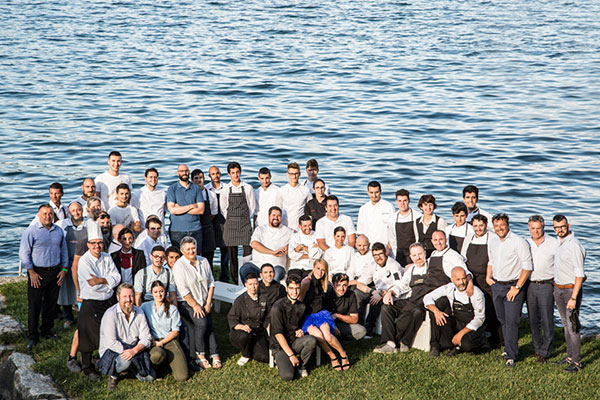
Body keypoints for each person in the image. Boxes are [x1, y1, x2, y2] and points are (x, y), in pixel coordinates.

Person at [485, 213, 532, 367]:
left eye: (502, 225)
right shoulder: (493, 242)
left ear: (508, 225)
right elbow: (491, 261)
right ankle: (507, 349)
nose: (499, 228)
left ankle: (511, 355)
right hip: (497, 285)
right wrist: (489, 277)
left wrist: (517, 287)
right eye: (496, 226)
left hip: (513, 286)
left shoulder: (519, 242)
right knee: (503, 319)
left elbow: (527, 266)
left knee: (512, 321)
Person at [19, 204, 69, 349]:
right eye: (45, 214)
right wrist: (31, 272)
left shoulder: (58, 231)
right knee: (34, 304)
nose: (48, 216)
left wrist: (64, 269)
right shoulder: (31, 231)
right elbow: (24, 253)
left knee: (51, 304)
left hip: (55, 272)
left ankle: (47, 330)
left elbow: (64, 251)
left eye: (50, 214)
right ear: (39, 215)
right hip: (37, 272)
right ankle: (33, 336)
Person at [77, 221, 121, 381]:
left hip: (107, 302)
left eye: (100, 243)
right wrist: (107, 282)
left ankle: (105, 361)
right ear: (88, 244)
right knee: (88, 335)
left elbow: (117, 277)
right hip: (91, 302)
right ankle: (87, 367)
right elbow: (92, 285)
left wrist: (102, 280)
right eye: (94, 243)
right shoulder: (84, 261)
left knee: (108, 332)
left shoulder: (107, 257)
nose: (97, 246)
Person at [172, 236, 221, 369]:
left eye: (193, 248)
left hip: (204, 301)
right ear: (182, 251)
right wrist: (195, 305)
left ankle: (215, 354)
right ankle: (200, 354)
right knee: (202, 323)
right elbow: (183, 291)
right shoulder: (179, 266)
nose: (191, 251)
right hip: (187, 303)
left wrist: (208, 302)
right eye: (188, 249)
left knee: (209, 323)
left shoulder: (203, 261)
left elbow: (211, 282)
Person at [374, 243, 429, 354]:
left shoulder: (432, 267)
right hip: (411, 299)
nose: (417, 258)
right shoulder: (411, 270)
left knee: (417, 311)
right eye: (414, 255)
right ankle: (390, 343)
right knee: (387, 307)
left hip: (424, 301)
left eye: (420, 254)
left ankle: (405, 341)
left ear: (425, 253)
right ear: (411, 257)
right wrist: (390, 292)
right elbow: (401, 286)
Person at [97, 283, 154, 390]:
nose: (128, 299)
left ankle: (132, 367)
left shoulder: (139, 312)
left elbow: (146, 337)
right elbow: (111, 343)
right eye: (125, 296)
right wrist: (130, 352)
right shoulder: (110, 314)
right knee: (126, 360)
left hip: (133, 349)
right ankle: (114, 375)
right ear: (118, 297)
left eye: (131, 296)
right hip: (114, 351)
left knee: (150, 378)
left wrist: (134, 351)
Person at [424, 267, 486, 357]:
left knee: (467, 345)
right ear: (451, 279)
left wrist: (461, 333)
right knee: (439, 316)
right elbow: (427, 297)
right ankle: (453, 346)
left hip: (472, 326)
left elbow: (480, 318)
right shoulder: (449, 288)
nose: (461, 282)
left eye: (463, 278)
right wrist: (436, 312)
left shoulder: (477, 293)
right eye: (458, 279)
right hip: (457, 322)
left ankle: (481, 341)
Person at [461, 214, 501, 349]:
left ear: (486, 225)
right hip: (472, 278)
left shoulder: (492, 238)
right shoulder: (469, 238)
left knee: (491, 308)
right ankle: (476, 336)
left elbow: (493, 260)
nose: (478, 229)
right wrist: (468, 278)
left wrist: (489, 277)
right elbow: (463, 258)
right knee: (474, 308)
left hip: (486, 278)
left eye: (481, 225)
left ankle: (495, 339)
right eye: (475, 226)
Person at [552, 214, 586, 373]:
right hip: (558, 289)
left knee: (572, 326)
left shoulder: (574, 245)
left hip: (570, 290)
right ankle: (569, 356)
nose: (559, 230)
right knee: (566, 325)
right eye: (556, 227)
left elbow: (579, 274)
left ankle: (576, 363)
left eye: (562, 227)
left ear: (568, 225)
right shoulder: (560, 243)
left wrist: (573, 297)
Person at [269, 274, 317, 381]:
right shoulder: (277, 307)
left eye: (297, 288)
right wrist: (291, 355)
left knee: (311, 340)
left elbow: (300, 325)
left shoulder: (302, 306)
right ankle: (285, 361)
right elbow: (278, 334)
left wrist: (301, 331)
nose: (294, 292)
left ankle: (302, 366)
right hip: (280, 347)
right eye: (291, 288)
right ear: (286, 288)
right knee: (288, 376)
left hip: (294, 341)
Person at [526, 215, 558, 363]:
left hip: (546, 284)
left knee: (547, 319)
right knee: (533, 319)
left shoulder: (553, 243)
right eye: (533, 228)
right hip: (531, 285)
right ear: (529, 228)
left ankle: (545, 351)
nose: (536, 231)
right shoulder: (526, 243)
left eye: (538, 228)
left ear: (543, 228)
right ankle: (537, 348)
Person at [141, 281, 188, 382]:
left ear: (165, 291)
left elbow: (175, 331)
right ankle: (159, 367)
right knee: (156, 356)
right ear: (151, 293)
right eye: (156, 292)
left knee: (182, 377)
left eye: (161, 291)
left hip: (169, 340)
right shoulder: (145, 307)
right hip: (154, 341)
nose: (159, 294)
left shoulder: (172, 309)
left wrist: (161, 343)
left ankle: (168, 361)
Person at [220, 162, 255, 285]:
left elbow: (252, 206)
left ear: (240, 172)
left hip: (245, 224)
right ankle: (235, 281)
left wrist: (244, 218)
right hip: (230, 225)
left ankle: (248, 279)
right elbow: (223, 208)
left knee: (248, 254)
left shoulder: (248, 187)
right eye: (233, 173)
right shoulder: (225, 189)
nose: (236, 175)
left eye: (237, 172)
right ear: (229, 174)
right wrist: (232, 218)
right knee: (232, 257)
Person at [239, 206, 292, 284]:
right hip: (258, 264)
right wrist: (273, 252)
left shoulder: (288, 231)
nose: (276, 218)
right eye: (273, 215)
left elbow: (295, 243)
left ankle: (271, 295)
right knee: (244, 269)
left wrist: (288, 248)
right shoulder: (260, 229)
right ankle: (251, 294)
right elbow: (254, 244)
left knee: (276, 275)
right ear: (269, 216)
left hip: (276, 266)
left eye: (279, 216)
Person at [228, 272, 270, 365]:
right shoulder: (240, 300)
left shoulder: (264, 298)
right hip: (242, 331)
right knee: (245, 336)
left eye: (255, 284)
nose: (253, 287)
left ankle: (253, 349)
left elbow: (268, 316)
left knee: (264, 357)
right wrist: (241, 327)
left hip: (259, 331)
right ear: (245, 285)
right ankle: (245, 354)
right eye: (250, 284)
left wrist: (268, 326)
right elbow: (232, 318)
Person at [56, 201, 87, 328]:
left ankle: (84, 317)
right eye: (73, 211)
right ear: (69, 213)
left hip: (85, 263)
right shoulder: (63, 225)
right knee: (66, 291)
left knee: (83, 291)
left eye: (78, 210)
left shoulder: (90, 224)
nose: (76, 213)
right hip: (67, 262)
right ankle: (68, 318)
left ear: (82, 210)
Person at [365, 242, 404, 338]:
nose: (378, 257)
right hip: (378, 291)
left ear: (385, 253)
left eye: (380, 254)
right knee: (368, 297)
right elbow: (363, 281)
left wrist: (383, 294)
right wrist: (373, 291)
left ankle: (369, 330)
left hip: (394, 293)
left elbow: (398, 284)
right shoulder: (372, 265)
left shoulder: (394, 265)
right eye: (375, 255)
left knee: (376, 302)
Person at [166, 164, 205, 250]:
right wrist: (192, 206)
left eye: (186, 171)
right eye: (182, 171)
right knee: (179, 258)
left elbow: (201, 210)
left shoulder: (196, 188)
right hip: (177, 230)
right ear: (178, 173)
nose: (184, 173)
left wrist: (180, 208)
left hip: (195, 229)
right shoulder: (172, 189)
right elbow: (172, 210)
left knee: (196, 256)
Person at [347, 235, 377, 336]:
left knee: (356, 294)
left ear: (369, 245)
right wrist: (350, 281)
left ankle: (360, 325)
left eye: (365, 245)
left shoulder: (372, 257)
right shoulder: (355, 256)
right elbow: (350, 271)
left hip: (369, 286)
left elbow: (367, 277)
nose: (362, 248)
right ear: (355, 245)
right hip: (354, 283)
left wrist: (354, 282)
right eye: (359, 245)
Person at [326, 273, 366, 345]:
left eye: (344, 285)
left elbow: (354, 319)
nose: (341, 289)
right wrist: (332, 325)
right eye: (338, 285)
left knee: (361, 331)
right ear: (333, 284)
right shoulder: (327, 293)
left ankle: (337, 345)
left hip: (342, 324)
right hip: (326, 324)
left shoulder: (351, 294)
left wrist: (337, 316)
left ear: (348, 285)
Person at [206, 165, 229, 282]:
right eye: (213, 174)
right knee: (210, 251)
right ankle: (210, 277)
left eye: (218, 173)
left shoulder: (227, 187)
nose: (216, 176)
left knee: (226, 252)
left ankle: (225, 277)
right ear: (209, 176)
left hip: (225, 223)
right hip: (211, 223)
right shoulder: (206, 189)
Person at [388, 189, 421, 267]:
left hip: (413, 254)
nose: (402, 203)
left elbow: (418, 238)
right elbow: (392, 239)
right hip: (399, 254)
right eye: (400, 201)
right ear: (396, 201)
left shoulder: (417, 216)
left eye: (405, 200)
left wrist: (416, 255)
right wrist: (394, 257)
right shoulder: (392, 218)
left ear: (409, 201)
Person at [191, 169, 218, 265]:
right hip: (193, 227)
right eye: (196, 178)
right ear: (192, 180)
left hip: (207, 228)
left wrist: (205, 223)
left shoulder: (211, 195)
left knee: (208, 257)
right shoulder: (190, 194)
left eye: (201, 178)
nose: (199, 180)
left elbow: (214, 212)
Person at [356, 181, 395, 247]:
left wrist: (388, 248)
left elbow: (393, 230)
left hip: (385, 247)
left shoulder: (388, 206)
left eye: (376, 192)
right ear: (368, 192)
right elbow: (360, 232)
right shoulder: (363, 209)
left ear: (380, 191)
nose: (374, 195)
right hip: (369, 248)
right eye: (371, 193)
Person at [288, 215, 323, 279]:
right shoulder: (295, 236)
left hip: (310, 267)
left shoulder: (317, 235)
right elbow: (291, 254)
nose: (308, 228)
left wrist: (302, 247)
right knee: (293, 280)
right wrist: (311, 252)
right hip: (296, 266)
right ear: (299, 226)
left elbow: (318, 255)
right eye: (305, 226)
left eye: (309, 225)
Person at [280, 162, 312, 230]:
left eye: (296, 173)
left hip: (300, 228)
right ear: (287, 174)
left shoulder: (305, 190)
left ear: (299, 174)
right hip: (285, 227)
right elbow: (278, 209)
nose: (294, 176)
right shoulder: (282, 190)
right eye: (291, 174)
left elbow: (310, 209)